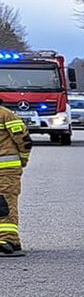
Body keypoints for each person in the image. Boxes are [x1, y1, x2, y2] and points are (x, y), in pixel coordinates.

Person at [0, 104, 27, 255]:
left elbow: (24, 140)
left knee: (4, 203)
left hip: (5, 170)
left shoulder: (6, 115)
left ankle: (8, 240)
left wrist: (23, 160)